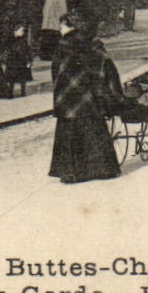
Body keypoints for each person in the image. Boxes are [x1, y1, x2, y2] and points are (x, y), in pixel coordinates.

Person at [48, 15, 121, 184]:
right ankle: (103, 169)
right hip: (91, 97)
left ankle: (72, 173)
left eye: (62, 26)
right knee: (94, 129)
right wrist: (109, 93)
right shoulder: (93, 43)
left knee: (69, 133)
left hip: (69, 98)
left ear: (70, 25)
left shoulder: (63, 45)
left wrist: (60, 90)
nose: (60, 29)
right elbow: (108, 67)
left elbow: (56, 71)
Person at [40, 0, 69, 69]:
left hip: (48, 23)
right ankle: (52, 55)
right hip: (54, 23)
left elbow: (45, 10)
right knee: (54, 38)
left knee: (49, 37)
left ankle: (48, 55)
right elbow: (64, 12)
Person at [4, 23, 33, 97]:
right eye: (21, 31)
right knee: (11, 77)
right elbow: (5, 49)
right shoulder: (9, 39)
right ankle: (10, 92)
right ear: (15, 31)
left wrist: (29, 61)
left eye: (23, 31)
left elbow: (27, 51)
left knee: (22, 77)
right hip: (12, 61)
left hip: (21, 61)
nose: (22, 32)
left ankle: (23, 92)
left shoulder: (23, 40)